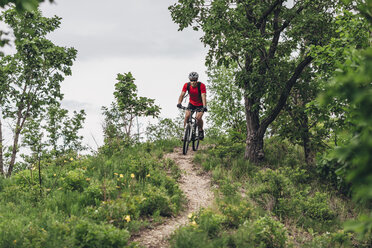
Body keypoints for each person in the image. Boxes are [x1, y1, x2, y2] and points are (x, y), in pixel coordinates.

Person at [177, 71, 207, 140]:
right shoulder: (186, 85)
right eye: (191, 80)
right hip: (191, 104)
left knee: (198, 118)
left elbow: (203, 96)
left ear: (197, 80)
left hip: (200, 104)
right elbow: (182, 94)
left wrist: (204, 107)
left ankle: (200, 130)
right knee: (187, 116)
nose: (193, 82)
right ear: (189, 80)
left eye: (195, 80)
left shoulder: (201, 85)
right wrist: (179, 103)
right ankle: (185, 134)